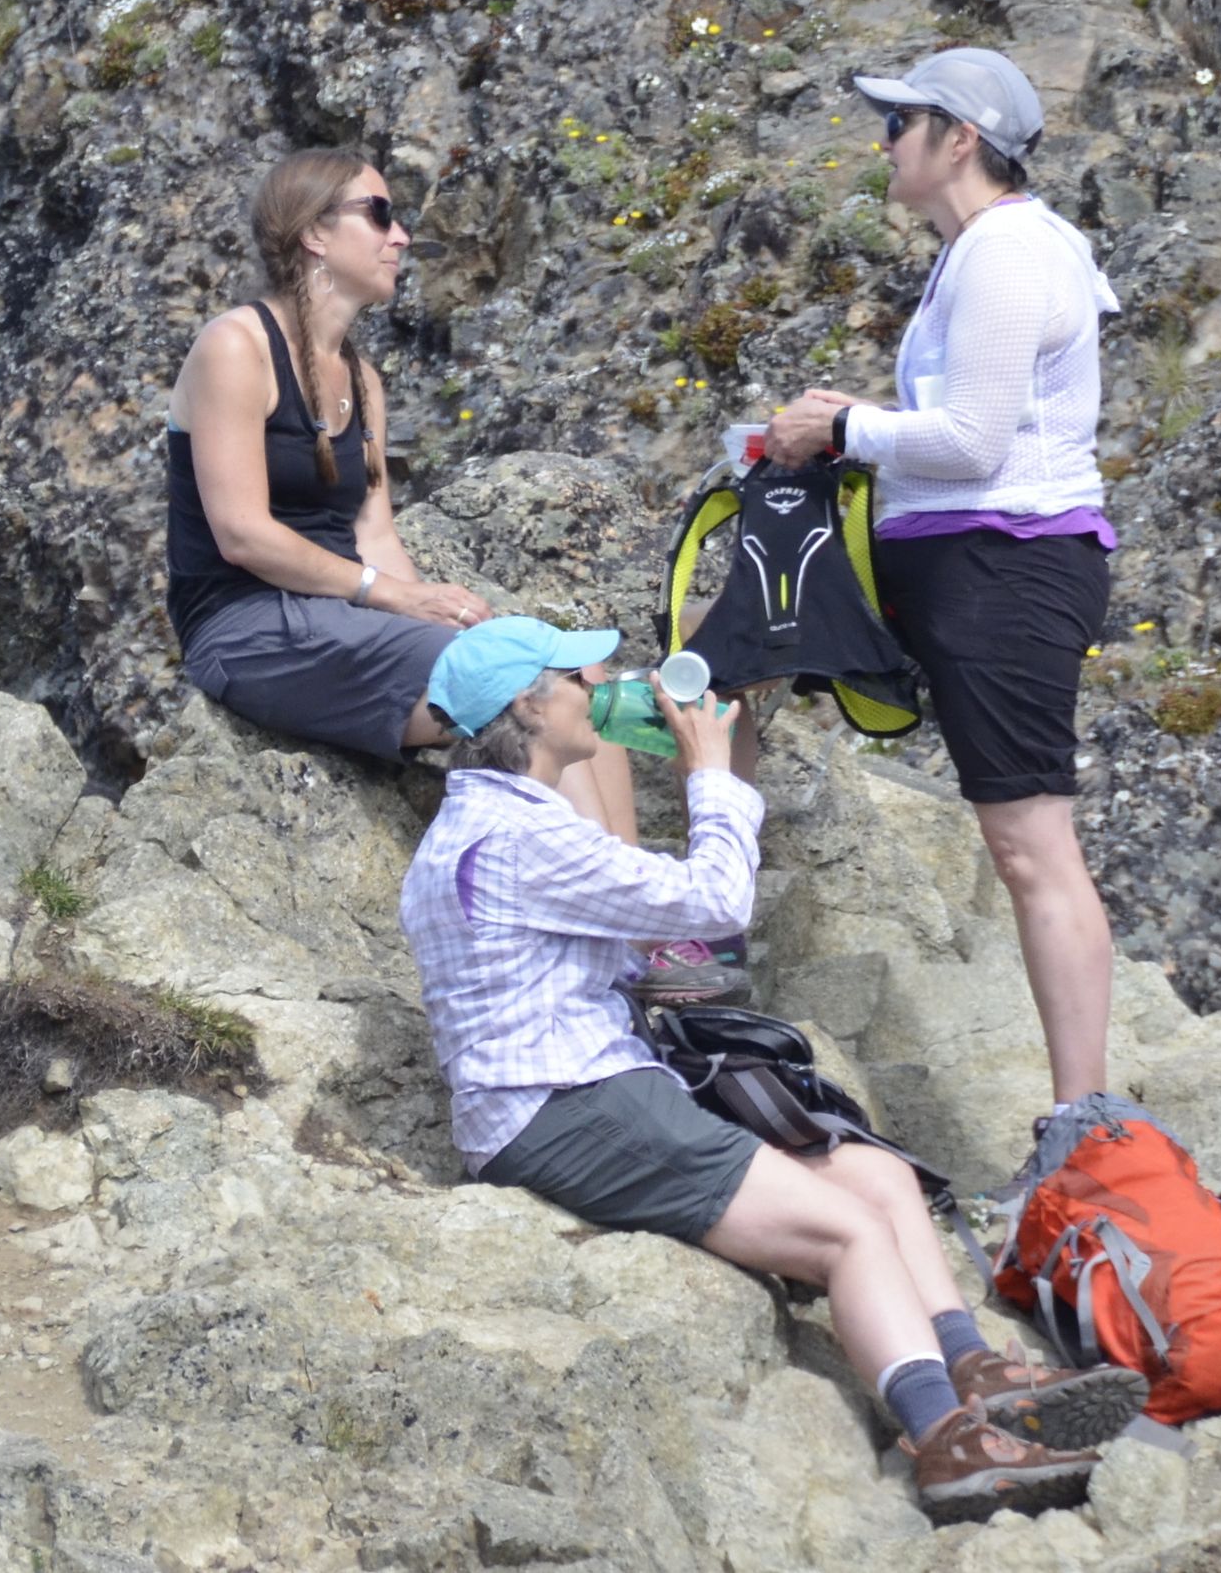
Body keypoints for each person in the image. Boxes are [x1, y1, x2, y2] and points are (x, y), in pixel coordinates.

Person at [398, 617, 1142, 1522]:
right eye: (584, 678)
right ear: (530, 700)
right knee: (847, 1233)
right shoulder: (518, 837)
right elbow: (713, 900)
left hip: (580, 1091)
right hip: (564, 1106)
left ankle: (972, 1365)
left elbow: (631, 952)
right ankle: (949, 1440)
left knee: (877, 1175)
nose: (601, 690)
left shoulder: (495, 824)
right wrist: (711, 771)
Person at [764, 48, 1122, 1105]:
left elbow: (971, 441)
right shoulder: (984, 251)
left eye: (899, 124)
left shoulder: (1010, 254)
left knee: (1028, 841)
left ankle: (1083, 1115)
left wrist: (842, 423)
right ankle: (691, 933)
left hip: (1004, 563)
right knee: (736, 655)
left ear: (958, 138)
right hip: (961, 561)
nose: (882, 143)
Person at [165, 152, 599, 795]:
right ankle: (584, 889)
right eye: (379, 214)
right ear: (314, 233)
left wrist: (443, 614)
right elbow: (242, 534)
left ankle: (630, 887)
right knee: (526, 694)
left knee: (571, 677)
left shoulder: (363, 381)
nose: (400, 236)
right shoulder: (235, 347)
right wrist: (396, 597)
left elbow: (375, 536)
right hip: (247, 626)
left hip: (336, 614)